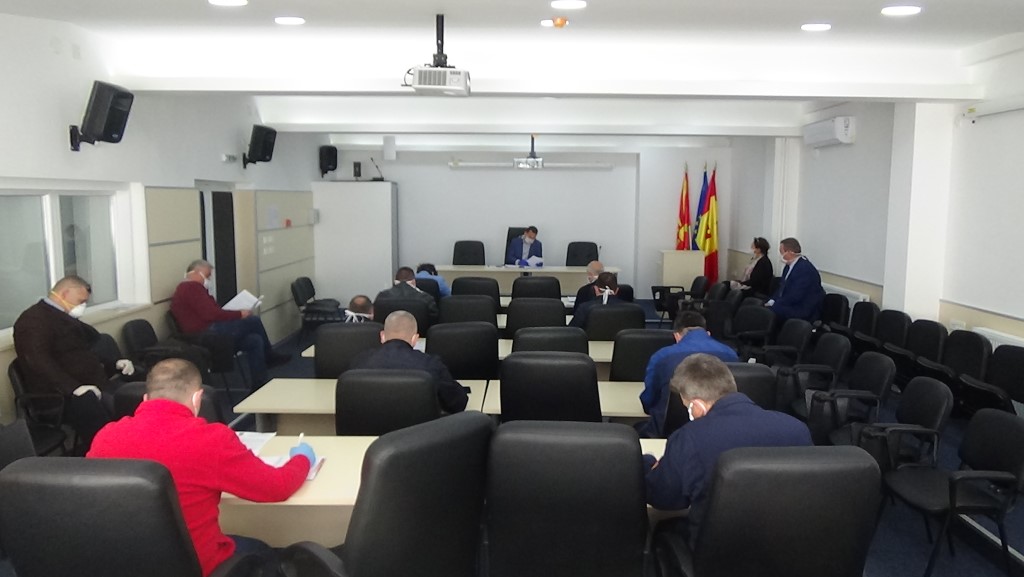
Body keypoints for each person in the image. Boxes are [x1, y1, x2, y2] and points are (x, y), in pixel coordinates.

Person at [87, 358, 315, 577]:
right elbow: (276, 488)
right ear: (198, 398)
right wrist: (302, 459)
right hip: (197, 567)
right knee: (263, 551)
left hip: (125, 565)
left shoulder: (105, 437)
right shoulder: (211, 439)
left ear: (145, 399)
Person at [644, 354, 812, 540]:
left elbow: (663, 498)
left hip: (717, 549)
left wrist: (649, 464)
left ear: (697, 405)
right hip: (788, 543)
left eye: (687, 407)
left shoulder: (689, 438)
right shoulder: (797, 429)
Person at [12, 275, 134, 451]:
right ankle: (109, 454)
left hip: (91, 384)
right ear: (64, 293)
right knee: (103, 409)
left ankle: (136, 446)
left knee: (131, 397)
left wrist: (114, 363)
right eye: (80, 301)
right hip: (58, 395)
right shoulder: (33, 320)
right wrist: (73, 388)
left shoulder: (63, 316)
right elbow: (37, 361)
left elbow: (86, 348)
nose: (82, 306)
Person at [170, 259, 289, 386]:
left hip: (207, 332)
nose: (208, 279)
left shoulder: (190, 289)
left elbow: (212, 312)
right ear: (195, 273)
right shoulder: (191, 288)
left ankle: (259, 384)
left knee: (255, 340)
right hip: (205, 334)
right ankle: (269, 357)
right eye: (207, 275)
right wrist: (239, 314)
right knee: (253, 321)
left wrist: (234, 314)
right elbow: (211, 314)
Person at [637, 312, 739, 438]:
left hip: (667, 433)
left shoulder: (661, 356)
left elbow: (648, 401)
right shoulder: (731, 354)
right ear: (708, 334)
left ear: (676, 336)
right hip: (722, 430)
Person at [350, 310, 469, 413]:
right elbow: (457, 403)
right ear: (415, 339)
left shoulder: (359, 361)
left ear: (382, 336)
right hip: (421, 432)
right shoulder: (430, 364)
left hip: (366, 431)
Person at [765, 237, 825, 322]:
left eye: (781, 252)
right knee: (764, 307)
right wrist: (772, 301)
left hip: (802, 309)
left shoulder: (804, 269)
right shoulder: (788, 266)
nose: (780, 255)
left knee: (768, 312)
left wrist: (775, 304)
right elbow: (781, 288)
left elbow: (795, 296)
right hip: (791, 304)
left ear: (790, 252)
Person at [374, 266, 439, 323]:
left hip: (388, 333)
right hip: (420, 333)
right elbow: (434, 321)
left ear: (395, 282)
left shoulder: (381, 297)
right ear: (414, 282)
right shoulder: (426, 298)